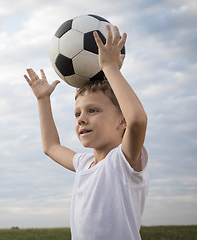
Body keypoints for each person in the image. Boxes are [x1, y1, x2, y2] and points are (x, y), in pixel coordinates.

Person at [23, 25, 148, 239]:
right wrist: (43, 100)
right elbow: (51, 147)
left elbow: (138, 120)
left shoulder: (124, 161)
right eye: (77, 113)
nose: (81, 118)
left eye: (93, 110)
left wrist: (110, 68)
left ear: (122, 121)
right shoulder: (83, 164)